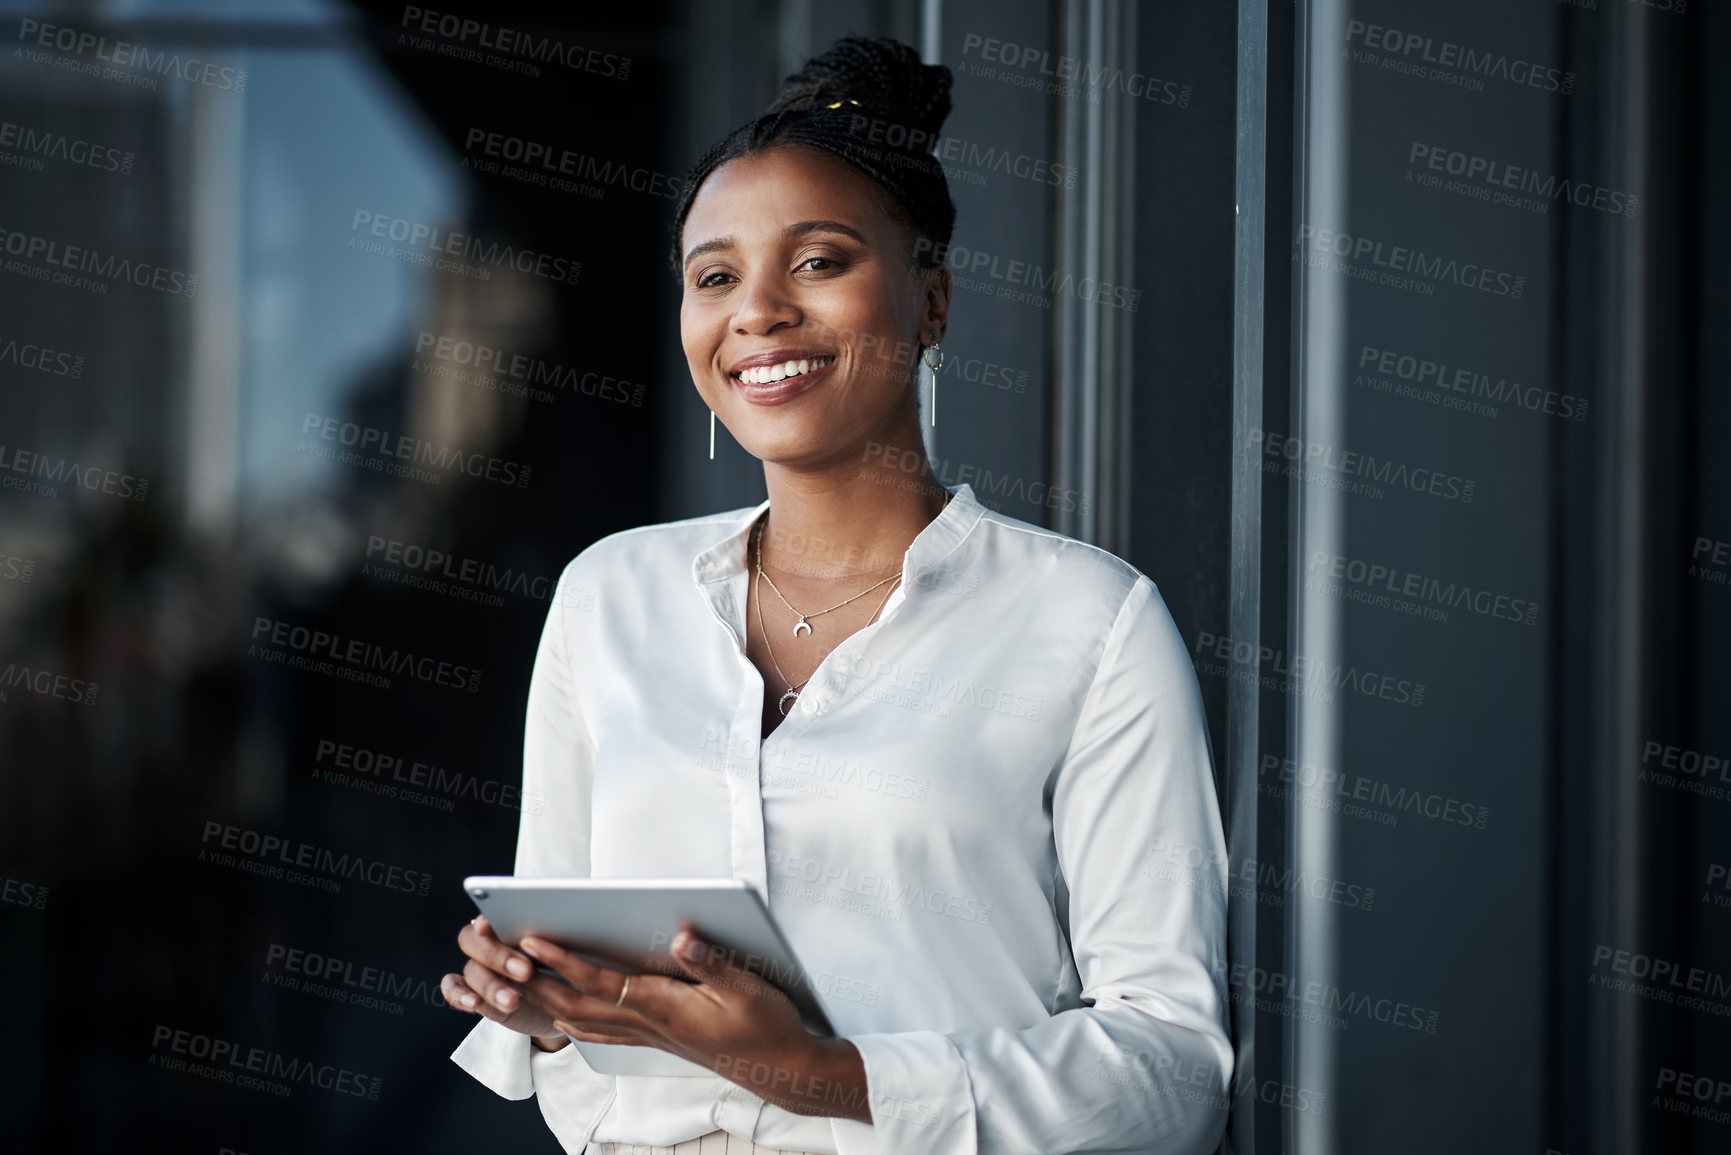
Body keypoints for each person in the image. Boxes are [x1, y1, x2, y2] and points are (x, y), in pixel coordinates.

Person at [440, 34, 1231, 1155]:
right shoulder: (608, 595)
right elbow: (573, 1031)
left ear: (934, 301)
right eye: (714, 276)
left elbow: (1173, 1071)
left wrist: (820, 1075)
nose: (756, 311)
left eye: (819, 261)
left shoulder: (1091, 626)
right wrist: (548, 1005)